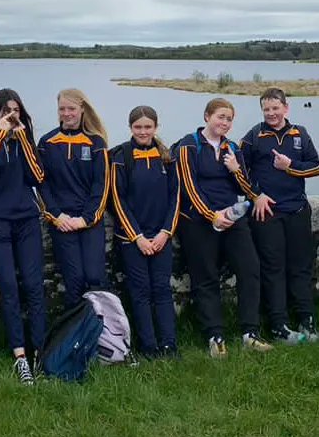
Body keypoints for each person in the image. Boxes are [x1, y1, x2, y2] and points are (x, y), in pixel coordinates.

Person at [175, 97, 270, 357]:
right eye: (220, 117)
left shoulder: (232, 147)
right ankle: (214, 336)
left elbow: (246, 188)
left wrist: (236, 169)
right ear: (207, 116)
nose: (225, 123)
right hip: (199, 221)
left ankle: (250, 332)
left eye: (229, 119)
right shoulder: (188, 146)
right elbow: (188, 188)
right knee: (206, 276)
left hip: (232, 217)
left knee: (250, 269)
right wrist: (211, 215)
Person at [0, 88, 46, 385]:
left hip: (26, 219)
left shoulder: (26, 143)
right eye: (6, 111)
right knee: (9, 287)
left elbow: (38, 177)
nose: (12, 116)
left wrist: (23, 139)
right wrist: (1, 137)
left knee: (34, 285)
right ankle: (20, 357)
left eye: (16, 111)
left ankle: (40, 351)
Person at [239, 87, 319, 343]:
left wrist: (290, 167)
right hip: (268, 213)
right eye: (267, 109)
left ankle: (306, 320)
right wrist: (256, 195)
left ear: (286, 108)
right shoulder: (254, 135)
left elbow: (315, 166)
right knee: (273, 269)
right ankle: (279, 325)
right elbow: (239, 171)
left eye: (276, 108)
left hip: (297, 210)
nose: (271, 113)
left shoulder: (300, 134)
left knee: (301, 267)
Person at [108, 106, 179, 358]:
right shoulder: (120, 157)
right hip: (131, 238)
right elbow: (118, 200)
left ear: (155, 128)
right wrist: (137, 237)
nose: (143, 131)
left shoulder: (167, 158)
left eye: (148, 127)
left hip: (160, 236)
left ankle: (169, 344)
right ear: (130, 128)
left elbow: (175, 197)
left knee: (161, 289)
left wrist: (165, 232)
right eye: (138, 127)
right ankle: (148, 346)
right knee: (140, 292)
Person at [37, 88, 110, 306]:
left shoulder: (96, 143)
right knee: (74, 280)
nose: (67, 113)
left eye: (72, 108)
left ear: (82, 110)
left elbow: (101, 185)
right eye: (62, 109)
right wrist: (57, 216)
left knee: (95, 278)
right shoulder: (47, 142)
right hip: (62, 222)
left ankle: (103, 335)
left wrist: (86, 218)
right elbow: (42, 184)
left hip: (89, 222)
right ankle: (75, 335)